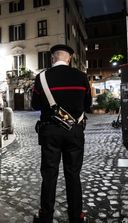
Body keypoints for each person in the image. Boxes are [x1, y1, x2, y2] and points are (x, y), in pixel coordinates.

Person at [31, 44, 92, 223]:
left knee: (49, 175)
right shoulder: (81, 77)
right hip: (75, 131)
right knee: (73, 174)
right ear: (69, 58)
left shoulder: (41, 77)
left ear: (52, 58)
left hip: (50, 131)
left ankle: (46, 216)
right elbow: (87, 104)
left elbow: (35, 104)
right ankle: (76, 216)